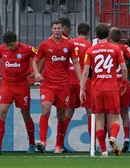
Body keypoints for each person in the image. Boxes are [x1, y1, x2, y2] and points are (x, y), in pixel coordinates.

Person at [32, 20, 81, 154]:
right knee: (46, 109)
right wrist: (36, 73)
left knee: (61, 115)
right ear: (52, 29)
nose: (57, 30)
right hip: (47, 83)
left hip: (63, 84)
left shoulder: (69, 44)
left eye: (59, 28)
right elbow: (35, 60)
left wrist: (81, 79)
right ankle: (42, 142)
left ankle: (59, 145)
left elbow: (76, 63)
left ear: (63, 29)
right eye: (54, 28)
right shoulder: (45, 44)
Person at [79, 23, 127, 158]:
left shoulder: (90, 50)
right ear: (109, 36)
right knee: (115, 117)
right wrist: (123, 83)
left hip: (96, 88)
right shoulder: (115, 49)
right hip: (111, 88)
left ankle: (104, 151)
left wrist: (82, 88)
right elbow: (124, 68)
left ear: (95, 35)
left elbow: (85, 71)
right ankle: (113, 137)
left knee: (99, 119)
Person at [0, 31, 37, 154]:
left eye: (11, 45)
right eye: (8, 45)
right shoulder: (2, 49)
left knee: (25, 114)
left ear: (17, 41)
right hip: (7, 85)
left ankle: (32, 144)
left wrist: (37, 72)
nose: (9, 48)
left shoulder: (26, 49)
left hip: (22, 86)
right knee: (1, 112)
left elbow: (39, 56)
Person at [59, 22, 92, 152]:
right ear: (88, 33)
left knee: (68, 113)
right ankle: (92, 146)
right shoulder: (89, 46)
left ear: (77, 31)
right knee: (90, 112)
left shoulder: (69, 43)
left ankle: (59, 144)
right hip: (83, 81)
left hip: (69, 81)